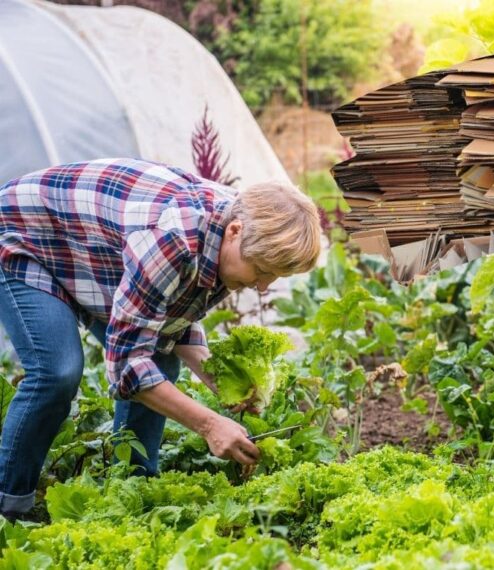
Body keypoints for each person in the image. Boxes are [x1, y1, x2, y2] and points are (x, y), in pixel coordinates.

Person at [0, 158, 322, 519]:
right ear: (234, 231)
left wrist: (221, 381)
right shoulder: (174, 240)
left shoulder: (240, 230)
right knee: (57, 371)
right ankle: (10, 508)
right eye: (261, 271)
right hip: (23, 236)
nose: (262, 287)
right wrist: (210, 424)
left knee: (157, 353)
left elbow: (171, 321)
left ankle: (133, 491)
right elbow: (128, 366)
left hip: (90, 252)